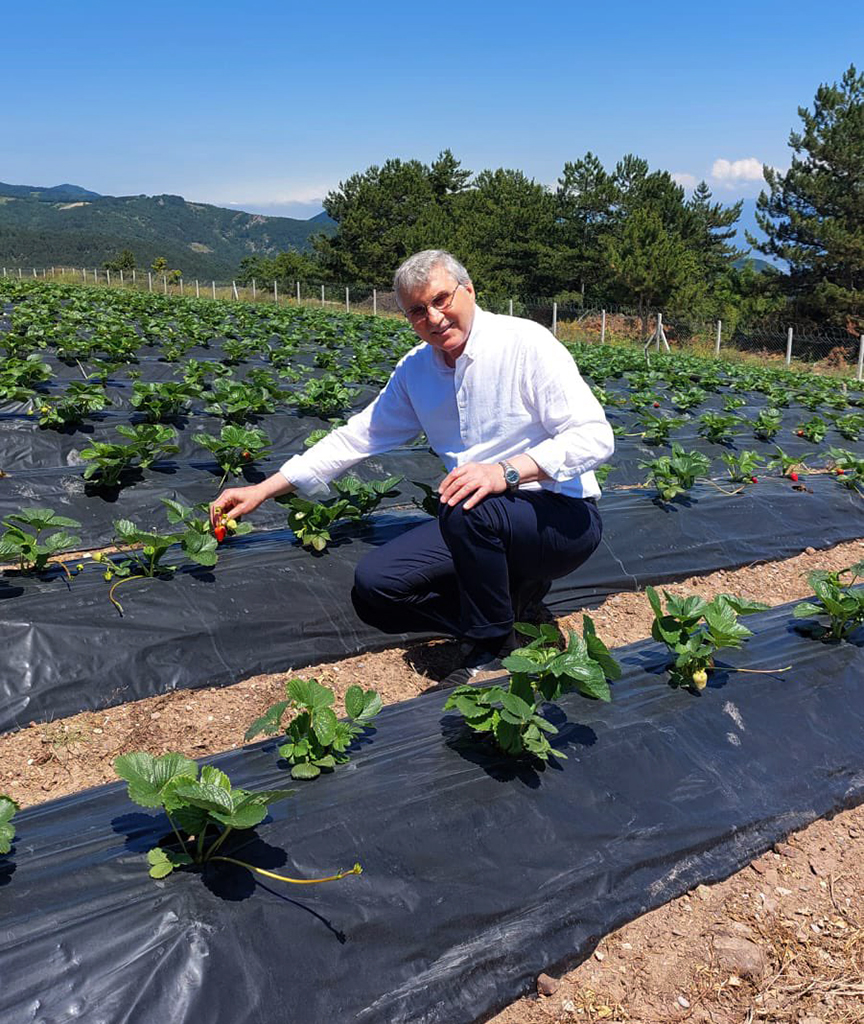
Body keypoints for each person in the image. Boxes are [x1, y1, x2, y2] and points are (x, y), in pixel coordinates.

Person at [210, 250, 614, 684]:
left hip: (560, 519)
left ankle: (492, 651)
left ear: (469, 291)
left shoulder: (525, 343)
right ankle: (507, 611)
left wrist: (506, 471)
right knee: (377, 584)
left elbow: (595, 437)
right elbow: (357, 436)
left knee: (466, 502)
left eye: (442, 299)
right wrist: (262, 490)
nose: (435, 317)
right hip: (481, 519)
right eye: (418, 310)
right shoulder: (416, 371)